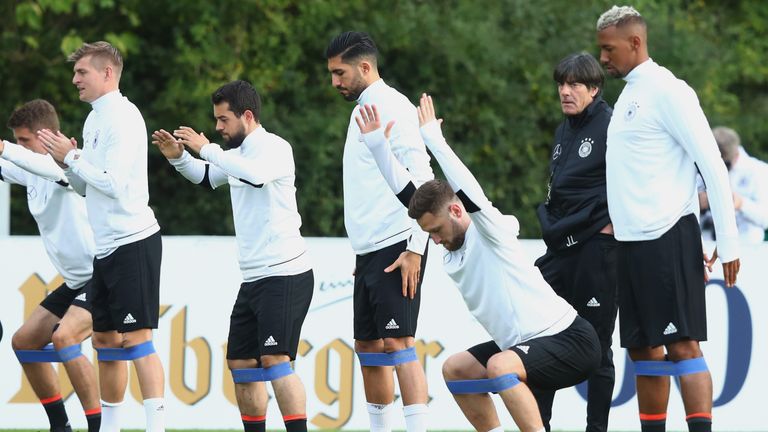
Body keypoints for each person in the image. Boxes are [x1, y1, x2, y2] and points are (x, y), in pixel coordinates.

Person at [355, 95, 601, 432]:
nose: (436, 241)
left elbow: (469, 190)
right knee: (456, 370)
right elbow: (409, 194)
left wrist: (434, 141)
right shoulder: (445, 232)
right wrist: (378, 148)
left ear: (456, 211)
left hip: (569, 340)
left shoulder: (490, 230)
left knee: (500, 367)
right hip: (522, 347)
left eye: (437, 231)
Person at [597, 6, 740, 432]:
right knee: (642, 349)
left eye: (609, 49)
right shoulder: (627, 97)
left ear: (635, 43)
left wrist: (727, 241)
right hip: (631, 244)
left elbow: (712, 164)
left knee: (681, 345)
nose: (602, 58)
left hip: (667, 236)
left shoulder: (669, 90)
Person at [152, 80, 314, 432]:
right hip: (254, 277)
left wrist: (206, 148)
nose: (218, 128)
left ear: (248, 116)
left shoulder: (274, 147)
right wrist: (179, 157)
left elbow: (255, 177)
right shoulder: (234, 155)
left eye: (224, 120)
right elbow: (205, 177)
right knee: (241, 364)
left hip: (285, 273)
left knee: (276, 360)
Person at [37, 41, 166, 431]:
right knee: (106, 342)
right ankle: (110, 427)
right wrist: (69, 164)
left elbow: (113, 184)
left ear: (107, 73)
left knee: (138, 339)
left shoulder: (124, 118)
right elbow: (85, 187)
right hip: (106, 248)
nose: (75, 79)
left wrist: (73, 158)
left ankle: (155, 427)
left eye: (82, 72)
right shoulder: (94, 120)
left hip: (133, 241)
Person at [325, 31, 434, 432]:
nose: (335, 82)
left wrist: (416, 248)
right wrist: (364, 250)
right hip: (370, 250)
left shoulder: (393, 106)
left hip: (398, 246)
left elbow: (423, 179)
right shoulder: (361, 111)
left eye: (340, 73)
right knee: (368, 349)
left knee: (400, 345)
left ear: (365, 67)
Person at [2, 99, 117, 432]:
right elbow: (10, 164)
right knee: (23, 341)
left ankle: (98, 428)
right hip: (75, 281)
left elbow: (25, 161)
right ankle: (60, 427)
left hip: (103, 275)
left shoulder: (65, 167)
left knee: (65, 338)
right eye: (17, 141)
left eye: (25, 140)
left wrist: (5, 147)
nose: (20, 148)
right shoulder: (32, 170)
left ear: (49, 136)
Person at [533, 53, 618, 432]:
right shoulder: (564, 127)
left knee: (598, 346)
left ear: (594, 89)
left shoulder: (612, 126)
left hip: (595, 252)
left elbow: (624, 186)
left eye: (575, 85)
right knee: (543, 336)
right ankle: (539, 426)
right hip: (559, 251)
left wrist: (606, 226)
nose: (565, 92)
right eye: (561, 84)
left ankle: (596, 429)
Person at [699, 126, 768, 244]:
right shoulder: (700, 169)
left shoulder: (759, 171)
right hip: (707, 245)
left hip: (747, 247)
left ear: (736, 154)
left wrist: (741, 204)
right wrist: (698, 204)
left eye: (725, 164)